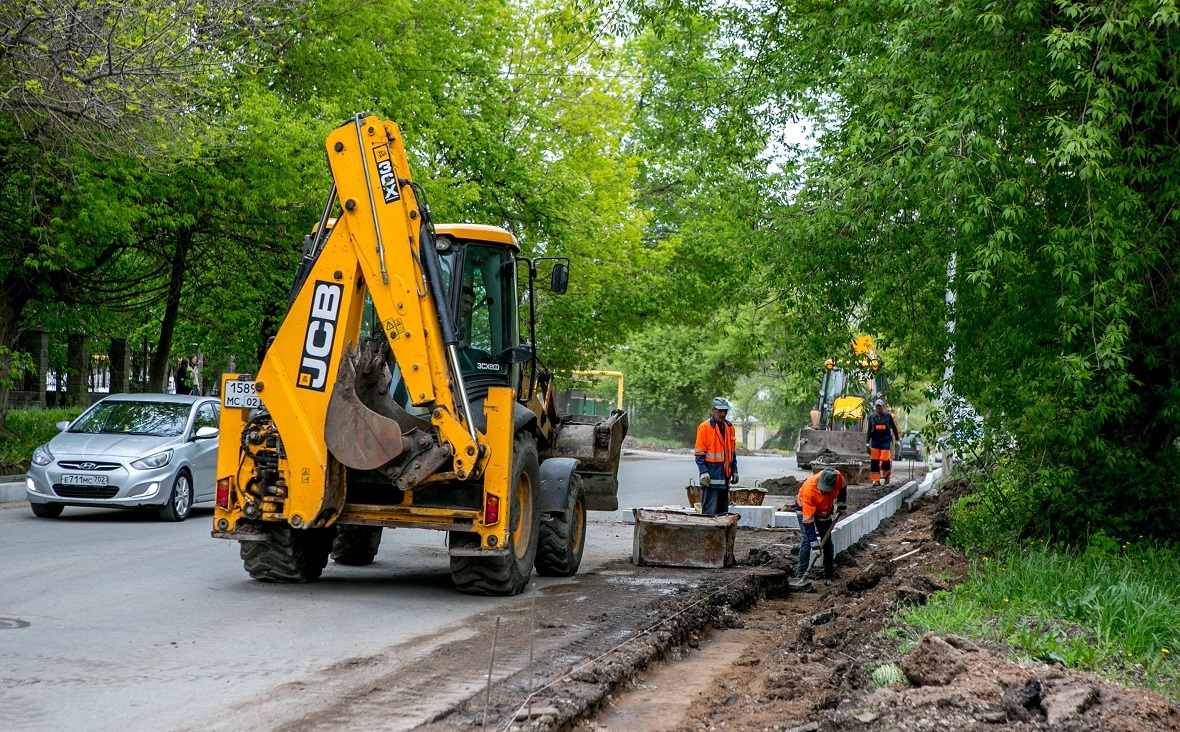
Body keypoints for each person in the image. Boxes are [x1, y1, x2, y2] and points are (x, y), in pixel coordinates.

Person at [793, 467, 847, 585]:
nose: (823, 492)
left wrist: (842, 504)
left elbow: (843, 487)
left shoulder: (836, 476)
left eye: (826, 490)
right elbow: (808, 523)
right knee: (807, 540)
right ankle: (801, 575)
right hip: (803, 508)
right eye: (821, 489)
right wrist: (815, 547)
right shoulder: (810, 491)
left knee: (827, 542)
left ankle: (828, 576)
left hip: (824, 511)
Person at [694, 397, 739, 516]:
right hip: (711, 479)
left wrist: (734, 470)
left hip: (725, 479)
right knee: (710, 512)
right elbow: (699, 454)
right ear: (713, 410)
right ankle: (708, 534)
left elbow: (732, 453)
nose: (723, 414)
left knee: (723, 514)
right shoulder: (705, 428)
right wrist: (703, 472)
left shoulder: (730, 427)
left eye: (725, 411)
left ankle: (721, 535)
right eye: (720, 411)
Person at [865, 398, 901, 485]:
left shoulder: (888, 416)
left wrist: (897, 439)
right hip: (875, 442)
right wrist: (867, 442)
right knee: (874, 461)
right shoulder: (871, 417)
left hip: (885, 442)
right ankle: (876, 480)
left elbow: (894, 428)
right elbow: (869, 430)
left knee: (885, 460)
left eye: (880, 406)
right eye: (877, 406)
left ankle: (886, 476)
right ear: (875, 407)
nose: (879, 408)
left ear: (883, 407)